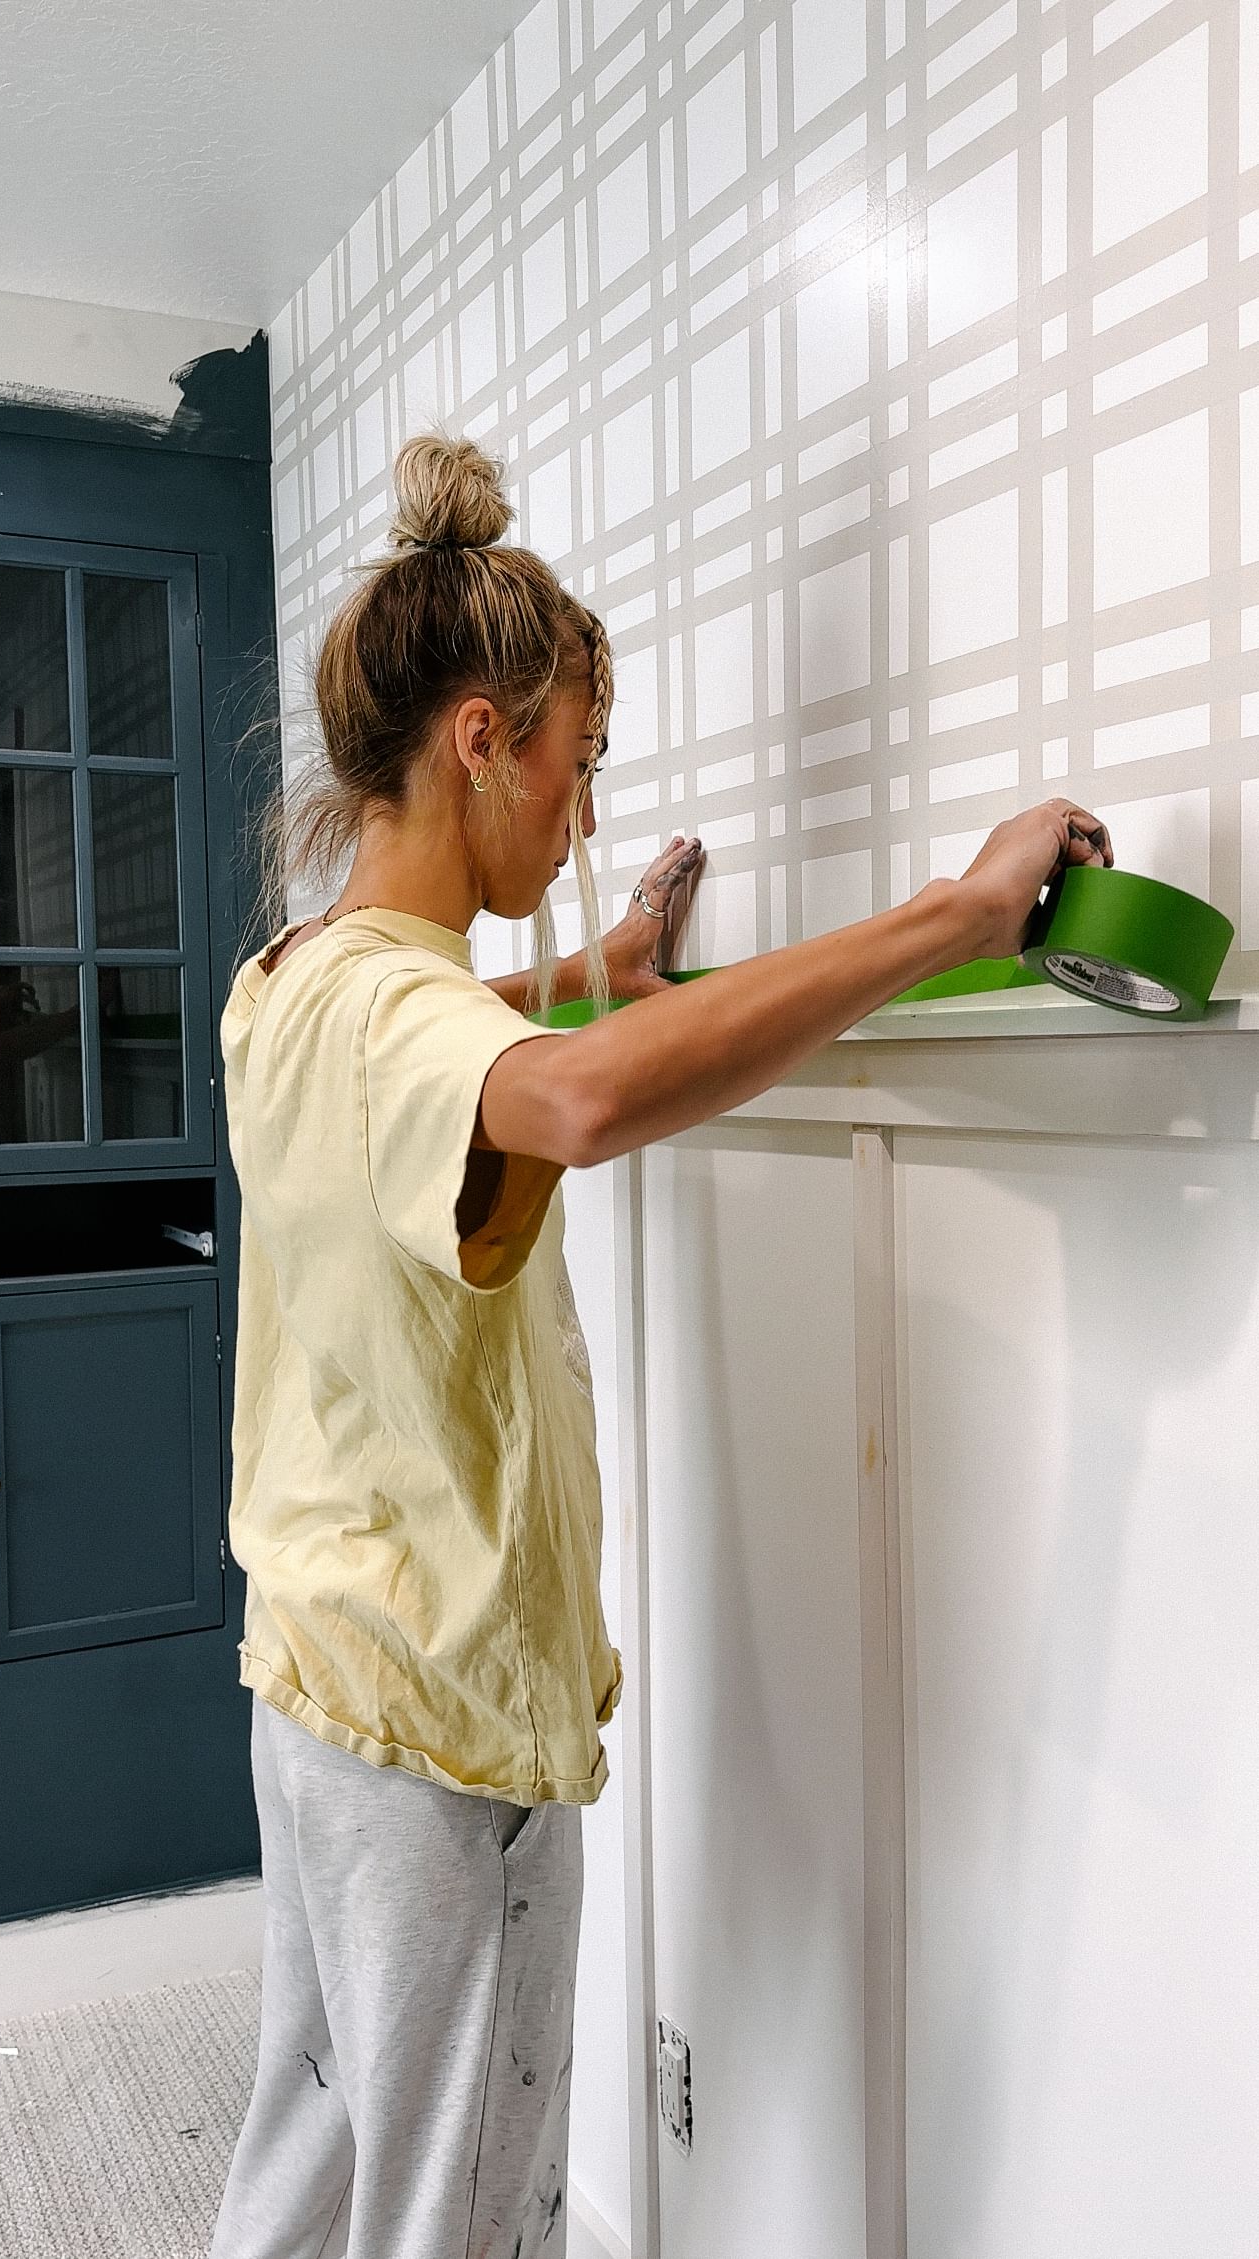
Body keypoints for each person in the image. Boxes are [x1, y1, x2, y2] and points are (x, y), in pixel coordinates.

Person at [209, 433, 1113, 2259]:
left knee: (312, 2161)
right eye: (577, 764)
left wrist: (600, 959)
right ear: (480, 739)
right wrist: (953, 910)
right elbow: (580, 1099)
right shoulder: (410, 1018)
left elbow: (472, 1033)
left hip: (318, 1676)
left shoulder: (291, 979)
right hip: (443, 1731)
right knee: (456, 2213)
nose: (586, 814)